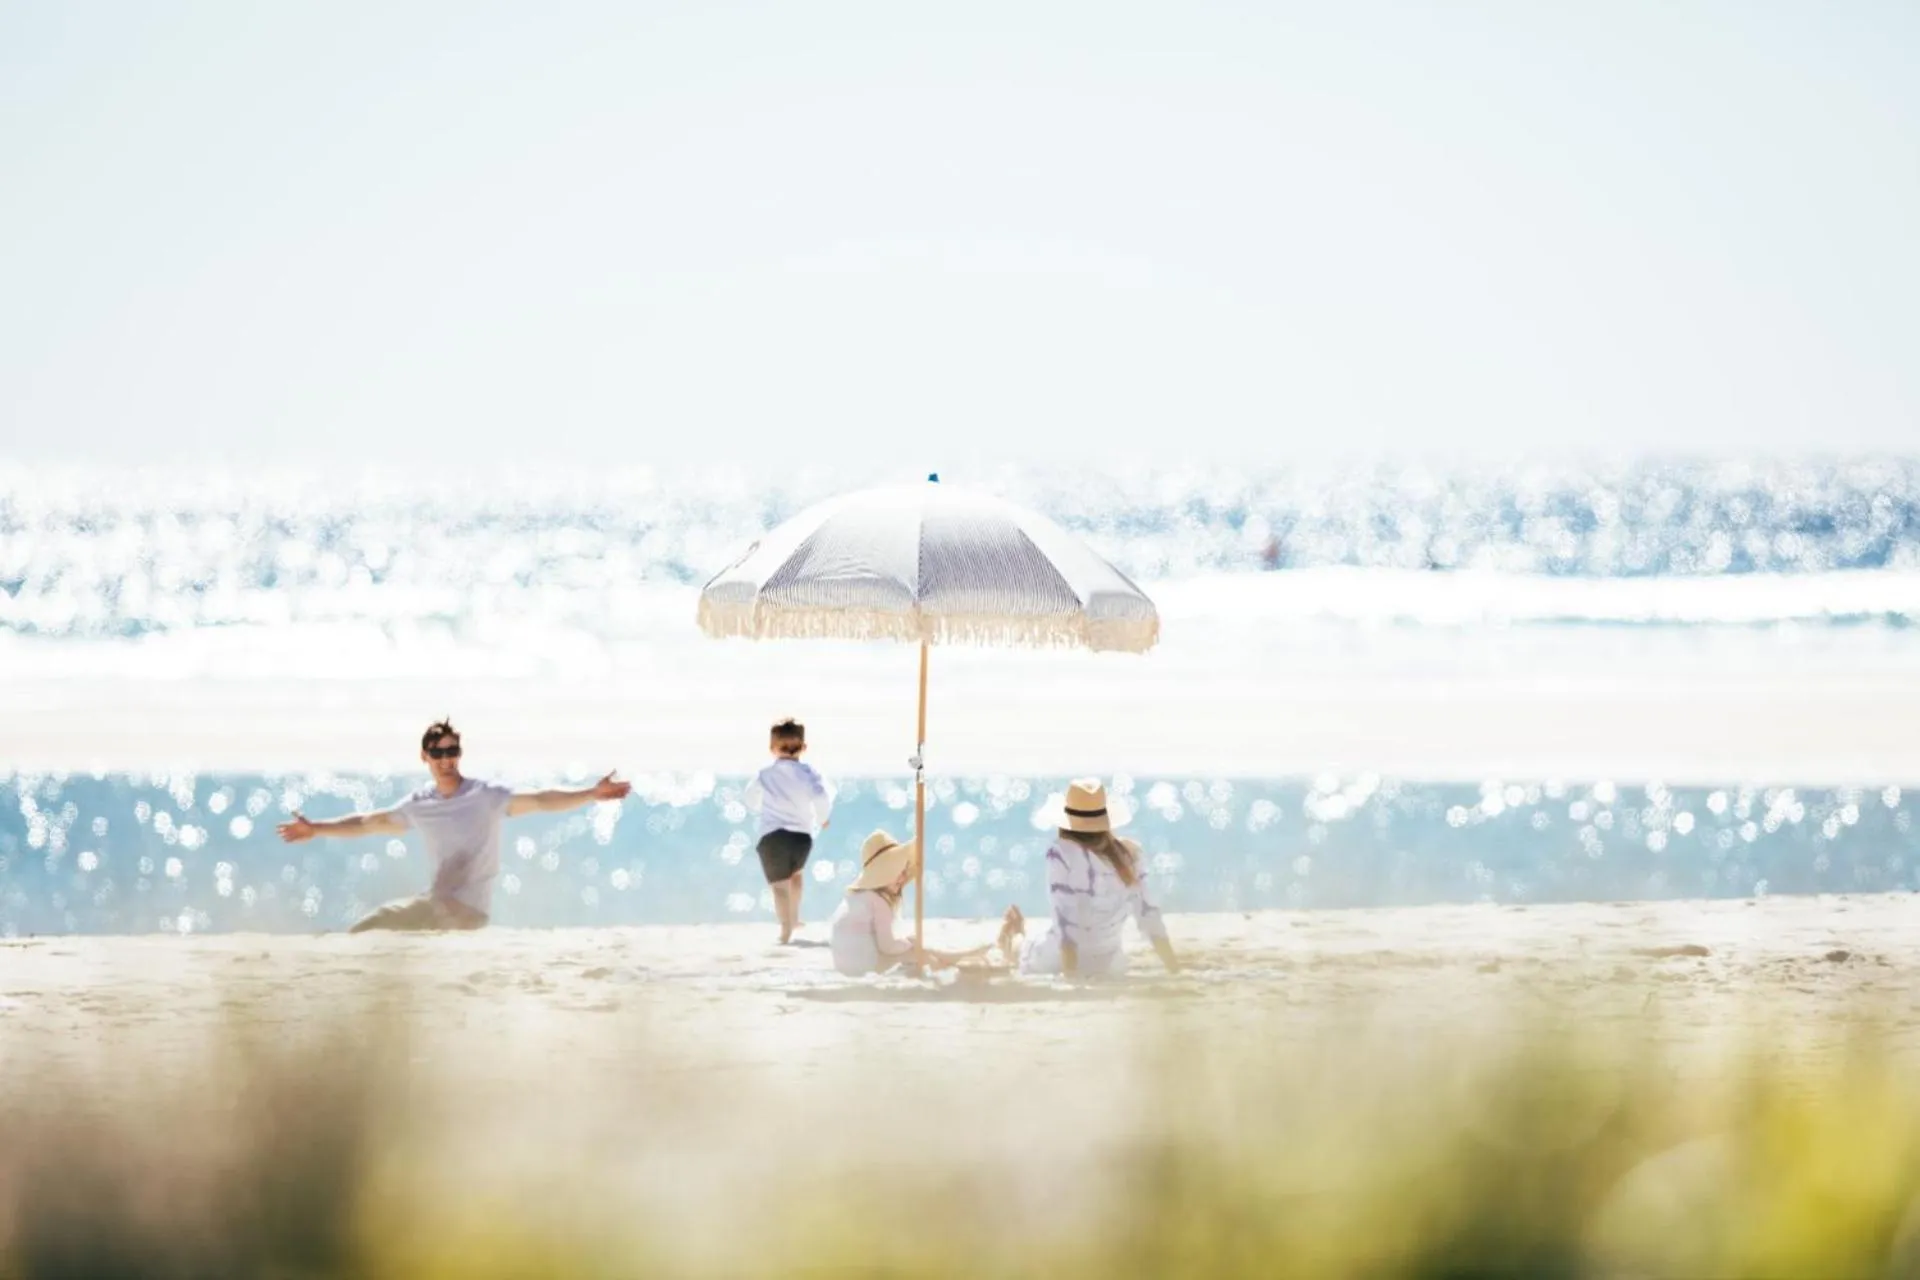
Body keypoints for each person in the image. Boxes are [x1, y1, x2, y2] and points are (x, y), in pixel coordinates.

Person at [274, 719, 631, 932]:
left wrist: (590, 793)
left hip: (466, 912)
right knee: (368, 927)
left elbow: (541, 800)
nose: (446, 759)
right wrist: (316, 828)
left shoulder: (484, 796)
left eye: (452, 751)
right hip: (434, 905)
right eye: (438, 752)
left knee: (383, 927)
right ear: (425, 757)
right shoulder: (420, 804)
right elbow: (368, 823)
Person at [1004, 778, 1179, 977]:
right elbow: (1149, 916)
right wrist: (1173, 968)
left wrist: (1071, 974)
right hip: (1110, 962)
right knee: (1038, 940)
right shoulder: (1130, 854)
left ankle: (1013, 936)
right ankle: (1018, 934)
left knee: (1024, 948)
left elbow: (1064, 921)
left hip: (1061, 960)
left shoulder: (1062, 852)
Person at [743, 717, 833, 944]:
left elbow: (749, 798)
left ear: (772, 748)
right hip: (802, 837)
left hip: (773, 836)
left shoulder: (765, 774)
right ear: (803, 747)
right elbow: (821, 797)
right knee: (796, 876)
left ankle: (785, 929)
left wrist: (759, 806)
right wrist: (823, 819)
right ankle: (794, 918)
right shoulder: (809, 773)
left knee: (779, 887)